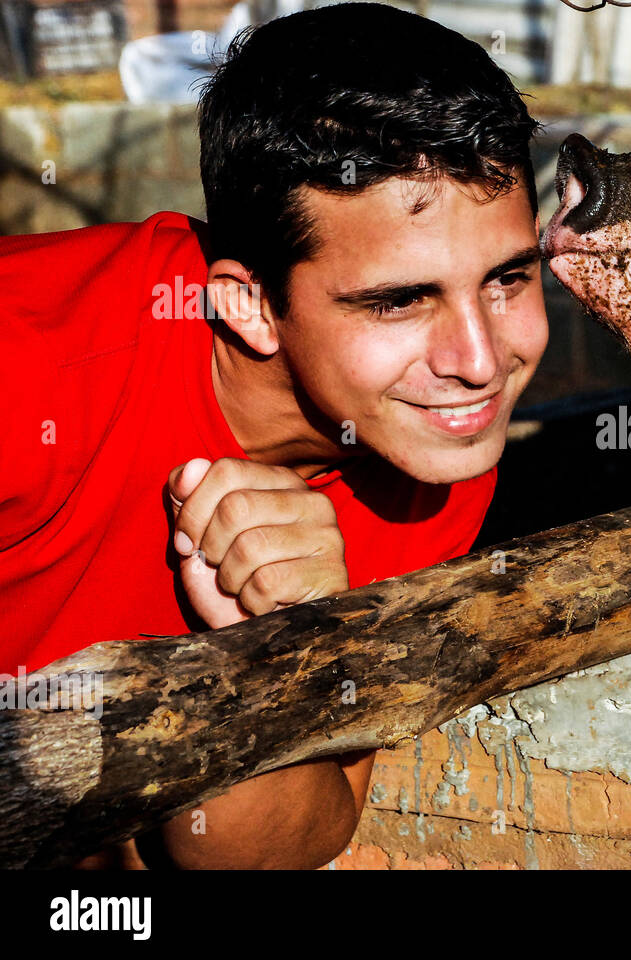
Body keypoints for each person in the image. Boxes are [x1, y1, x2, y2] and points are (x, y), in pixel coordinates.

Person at [0, 2, 548, 868]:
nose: (481, 361)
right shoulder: (31, 373)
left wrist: (274, 649)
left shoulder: (429, 445)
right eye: (400, 300)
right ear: (248, 304)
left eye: (508, 278)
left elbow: (265, 852)